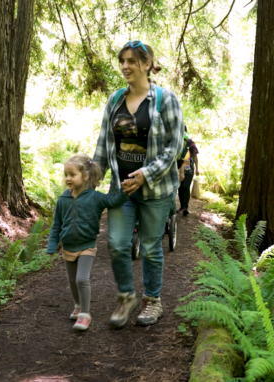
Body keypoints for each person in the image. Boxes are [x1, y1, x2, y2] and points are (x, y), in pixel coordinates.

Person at [93, 40, 184, 328]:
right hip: (122, 189)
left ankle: (153, 301)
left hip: (155, 189)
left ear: (147, 63)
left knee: (149, 247)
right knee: (118, 244)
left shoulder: (165, 100)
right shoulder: (115, 100)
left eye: (131, 60)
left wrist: (147, 173)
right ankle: (126, 296)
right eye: (122, 60)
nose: (124, 66)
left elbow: (175, 145)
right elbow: (104, 143)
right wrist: (90, 179)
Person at [47, 154, 128, 331]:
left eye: (72, 174)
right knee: (72, 281)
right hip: (68, 247)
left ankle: (85, 314)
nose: (67, 178)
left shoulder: (95, 197)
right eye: (66, 174)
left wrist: (125, 190)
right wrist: (53, 244)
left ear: (85, 176)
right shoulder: (63, 200)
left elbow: (113, 201)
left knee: (82, 279)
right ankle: (77, 305)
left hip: (87, 245)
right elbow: (56, 225)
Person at [176, 128, 199, 216]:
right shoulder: (176, 141)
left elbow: (195, 157)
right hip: (178, 169)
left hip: (189, 170)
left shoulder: (190, 143)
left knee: (186, 187)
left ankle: (185, 207)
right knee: (180, 188)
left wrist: (197, 169)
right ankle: (182, 206)